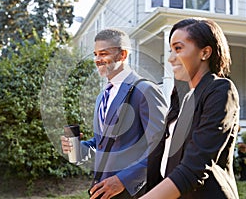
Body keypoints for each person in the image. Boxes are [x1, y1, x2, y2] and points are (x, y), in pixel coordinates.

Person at [140, 17, 240, 199]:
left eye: (178, 48)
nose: (170, 58)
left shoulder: (220, 90)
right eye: (171, 50)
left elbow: (194, 167)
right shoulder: (181, 95)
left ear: (205, 52)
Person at [61, 28, 168, 199]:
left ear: (123, 55)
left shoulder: (145, 90)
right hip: (103, 190)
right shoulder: (102, 96)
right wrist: (78, 148)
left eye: (103, 53)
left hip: (134, 193)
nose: (97, 60)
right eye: (95, 54)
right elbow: (101, 143)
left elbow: (160, 147)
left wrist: (124, 181)